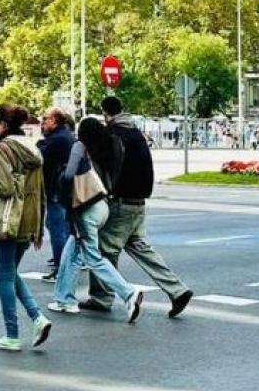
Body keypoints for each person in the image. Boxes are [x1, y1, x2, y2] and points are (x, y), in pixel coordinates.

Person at [83, 97, 195, 319]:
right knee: (140, 247)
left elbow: (109, 168)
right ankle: (177, 289)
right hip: (139, 201)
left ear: (105, 113)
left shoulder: (115, 136)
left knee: (104, 251)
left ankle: (102, 297)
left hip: (121, 201)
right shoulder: (136, 133)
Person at [49, 116, 145, 322]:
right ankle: (64, 298)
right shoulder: (111, 146)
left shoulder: (79, 147)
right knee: (72, 252)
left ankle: (129, 293)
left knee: (93, 258)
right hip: (102, 205)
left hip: (85, 209)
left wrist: (62, 190)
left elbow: (68, 176)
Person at [0, 104, 52, 352]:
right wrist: (39, 226)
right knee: (11, 272)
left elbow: (5, 186)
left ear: (4, 125)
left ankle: (12, 334)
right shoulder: (33, 148)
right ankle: (38, 318)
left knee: (6, 276)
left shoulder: (5, 149)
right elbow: (40, 189)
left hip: (7, 220)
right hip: (29, 219)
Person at [35, 107, 74, 281]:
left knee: (57, 228)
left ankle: (61, 266)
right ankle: (65, 264)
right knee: (59, 227)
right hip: (62, 189)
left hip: (55, 190)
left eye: (46, 119)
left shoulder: (58, 139)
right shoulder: (64, 136)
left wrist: (41, 144)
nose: (43, 122)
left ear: (55, 120)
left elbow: (40, 156)